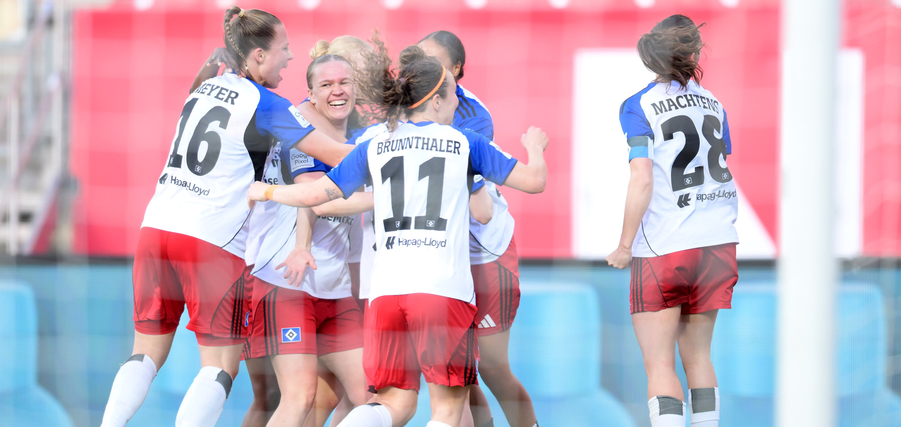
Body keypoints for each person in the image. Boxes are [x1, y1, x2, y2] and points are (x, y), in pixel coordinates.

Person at [247, 44, 548, 427]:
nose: (458, 102)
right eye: (453, 94)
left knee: (392, 404)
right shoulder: (466, 143)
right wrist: (534, 148)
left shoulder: (374, 143)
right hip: (441, 290)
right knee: (448, 409)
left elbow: (314, 196)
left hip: (386, 294)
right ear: (436, 100)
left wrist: (266, 191)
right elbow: (532, 183)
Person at [99, 7, 353, 427]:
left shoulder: (206, 88)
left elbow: (205, 81)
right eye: (283, 49)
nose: (290, 58)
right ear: (256, 56)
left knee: (144, 352)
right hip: (210, 241)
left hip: (156, 227)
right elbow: (336, 155)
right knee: (218, 365)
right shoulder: (268, 103)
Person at [606, 14, 738, 427]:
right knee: (699, 357)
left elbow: (642, 177)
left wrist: (625, 245)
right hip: (717, 242)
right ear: (695, 54)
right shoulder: (714, 103)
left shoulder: (638, 104)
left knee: (659, 364)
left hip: (665, 245)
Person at [419, 30, 538, 427]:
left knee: (491, 368)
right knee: (460, 377)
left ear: (454, 70)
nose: (421, 68)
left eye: (432, 61)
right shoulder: (410, 109)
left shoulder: (472, 117)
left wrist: (535, 153)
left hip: (484, 255)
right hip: (441, 258)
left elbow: (479, 204)